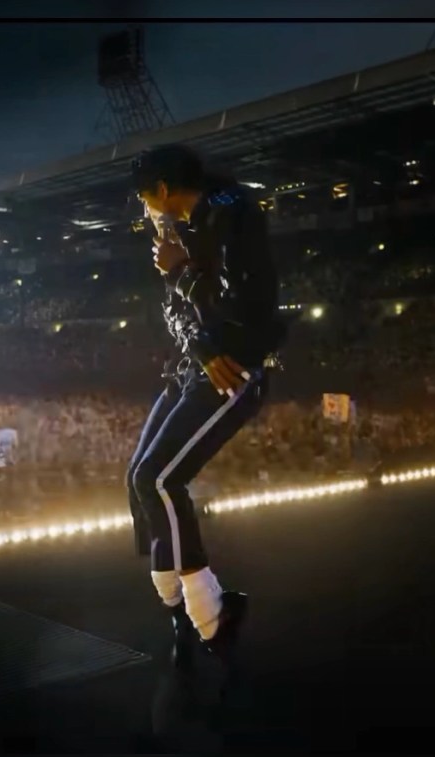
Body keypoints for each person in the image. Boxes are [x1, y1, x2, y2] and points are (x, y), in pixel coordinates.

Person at [126, 144, 284, 670]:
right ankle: (178, 608)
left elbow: (247, 307)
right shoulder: (182, 228)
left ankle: (212, 614)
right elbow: (177, 314)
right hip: (196, 364)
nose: (144, 209)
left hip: (232, 369)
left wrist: (180, 274)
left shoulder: (232, 215)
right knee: (139, 480)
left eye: (145, 198)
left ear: (163, 190)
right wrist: (196, 339)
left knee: (159, 479)